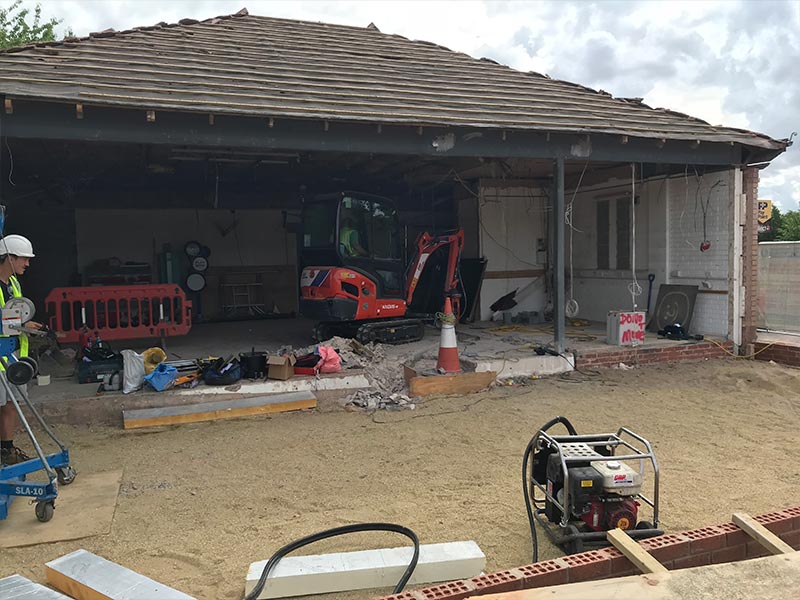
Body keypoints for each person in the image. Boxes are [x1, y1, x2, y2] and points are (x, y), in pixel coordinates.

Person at [0, 234, 42, 466]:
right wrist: (18, 325)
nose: (27, 264)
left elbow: (14, 315)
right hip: (0, 357)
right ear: (9, 257)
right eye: (23, 259)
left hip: (13, 355)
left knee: (11, 404)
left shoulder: (14, 284)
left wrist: (26, 325)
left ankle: (7, 450)